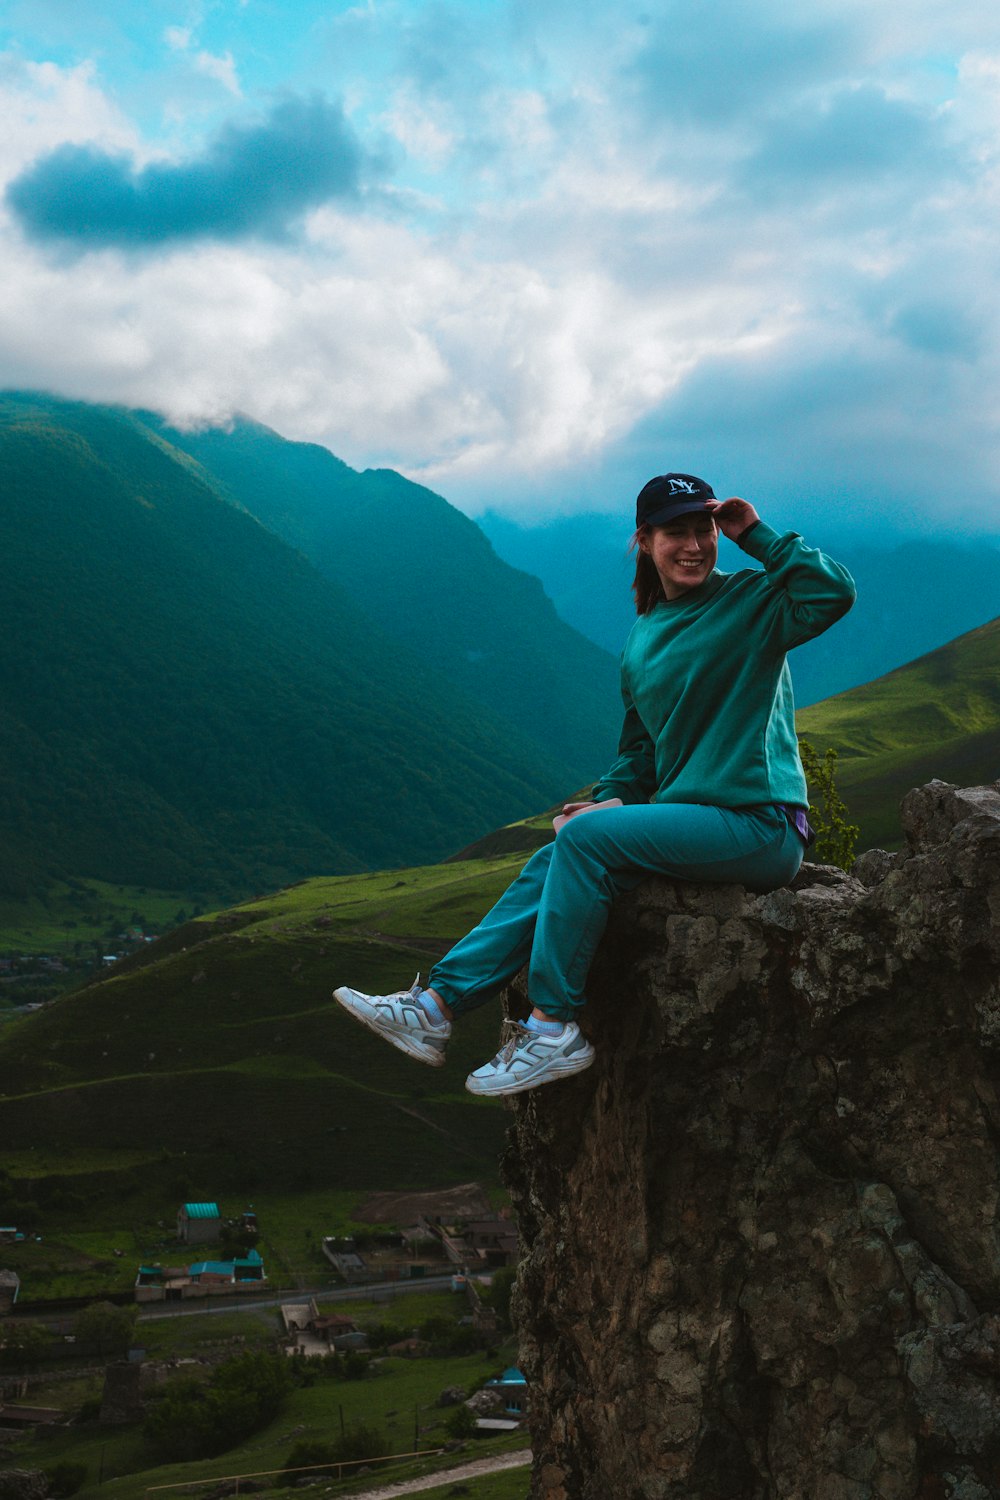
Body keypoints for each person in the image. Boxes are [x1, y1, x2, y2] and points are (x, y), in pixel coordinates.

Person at [334, 472, 856, 1099]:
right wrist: (606, 801)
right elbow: (642, 752)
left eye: (704, 529)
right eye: (675, 532)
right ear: (645, 540)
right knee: (559, 851)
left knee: (584, 843)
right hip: (694, 822)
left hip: (760, 824)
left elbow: (833, 593)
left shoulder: (753, 600)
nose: (693, 545)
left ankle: (552, 1028)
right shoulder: (643, 638)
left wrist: (756, 533)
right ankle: (436, 1009)